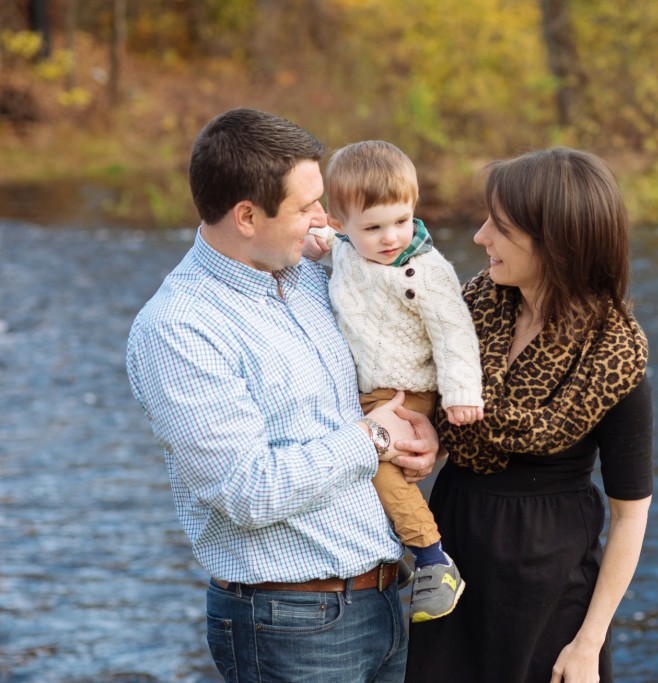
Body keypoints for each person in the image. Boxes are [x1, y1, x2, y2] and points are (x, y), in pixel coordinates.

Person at [125, 108, 439, 683]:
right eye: (305, 207)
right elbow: (248, 490)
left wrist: (416, 437)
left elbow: (390, 362)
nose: (324, 218)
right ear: (247, 215)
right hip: (290, 623)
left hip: (388, 599)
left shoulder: (314, 277)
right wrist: (372, 439)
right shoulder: (179, 328)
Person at [405, 147, 653, 683]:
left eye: (501, 227)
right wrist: (430, 439)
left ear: (556, 242)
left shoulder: (612, 356)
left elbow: (630, 517)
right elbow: (448, 419)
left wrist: (589, 643)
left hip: (550, 595)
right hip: (452, 570)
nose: (480, 237)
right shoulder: (468, 310)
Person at [306, 140, 482, 622]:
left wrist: (462, 394)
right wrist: (309, 242)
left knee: (376, 461)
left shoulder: (423, 271)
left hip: (407, 391)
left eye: (401, 221)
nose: (391, 237)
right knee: (335, 456)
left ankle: (432, 558)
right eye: (374, 227)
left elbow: (454, 333)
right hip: (362, 392)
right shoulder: (345, 248)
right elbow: (324, 244)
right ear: (343, 226)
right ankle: (390, 552)